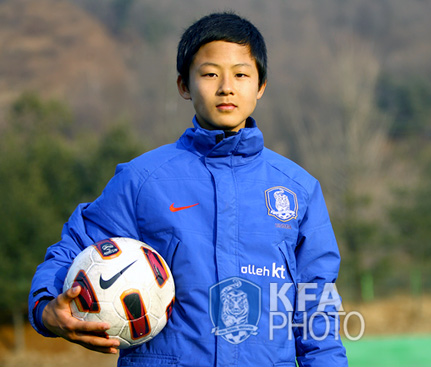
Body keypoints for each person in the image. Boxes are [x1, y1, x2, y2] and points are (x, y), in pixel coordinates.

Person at [29, 12, 348, 367]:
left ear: (260, 85)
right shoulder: (142, 180)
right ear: (184, 85)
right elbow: (72, 249)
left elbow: (316, 306)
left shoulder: (298, 189)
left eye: (241, 74)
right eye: (210, 74)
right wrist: (45, 309)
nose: (226, 86)